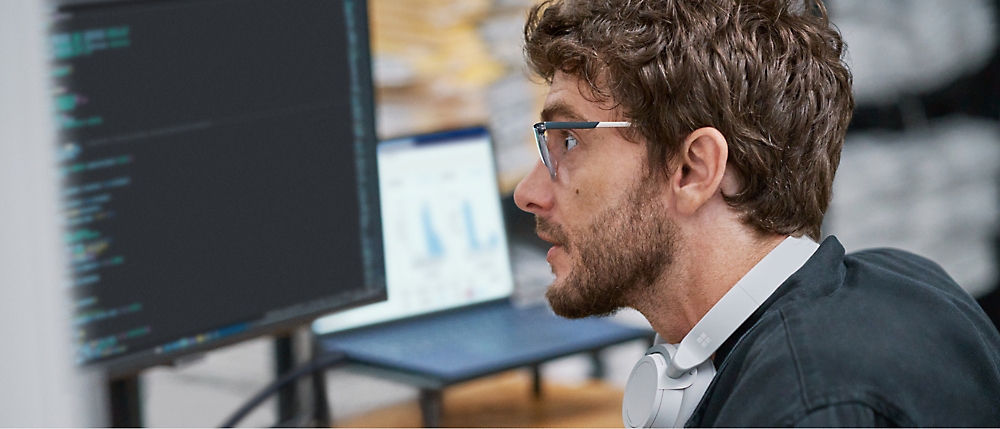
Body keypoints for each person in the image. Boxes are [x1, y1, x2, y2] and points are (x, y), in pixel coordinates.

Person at [512, 0, 1000, 426]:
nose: (527, 192)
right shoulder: (905, 279)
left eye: (569, 141)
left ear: (692, 169)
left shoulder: (805, 404)